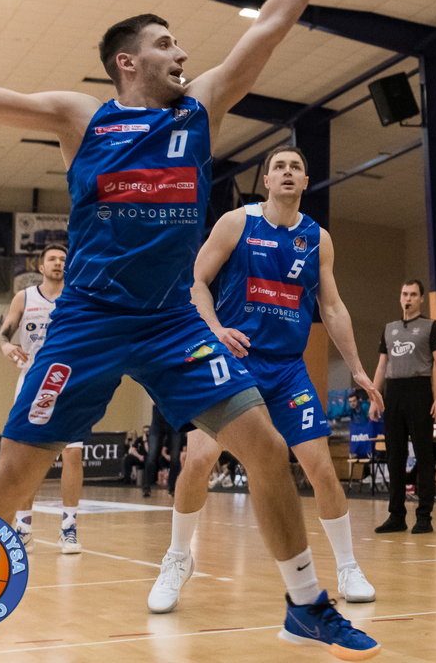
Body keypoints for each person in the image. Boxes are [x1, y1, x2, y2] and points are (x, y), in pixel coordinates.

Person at [0, 0, 380, 663]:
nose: (184, 54)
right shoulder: (81, 118)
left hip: (172, 321)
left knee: (266, 447)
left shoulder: (198, 109)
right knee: (13, 476)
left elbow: (270, 28)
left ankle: (307, 604)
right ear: (128, 61)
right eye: (168, 43)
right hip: (90, 321)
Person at [148, 144, 386, 613]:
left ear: (305, 181)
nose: (287, 172)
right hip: (234, 361)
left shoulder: (318, 238)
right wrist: (215, 330)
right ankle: (177, 559)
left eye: (296, 166)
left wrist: (357, 367)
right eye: (279, 166)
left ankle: (348, 567)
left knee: (320, 468)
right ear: (267, 180)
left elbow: (332, 306)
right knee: (199, 458)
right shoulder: (237, 222)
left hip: (288, 368)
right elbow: (196, 282)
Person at [0, 244, 83, 552]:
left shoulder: (78, 296)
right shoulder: (25, 297)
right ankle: (23, 528)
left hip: (70, 381)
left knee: (73, 453)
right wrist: (6, 346)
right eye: (52, 259)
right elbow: (2, 334)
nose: (58, 263)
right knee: (24, 455)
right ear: (42, 267)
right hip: (33, 380)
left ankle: (69, 528)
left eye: (63, 259)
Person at [373, 279, 436, 534]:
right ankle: (396, 515)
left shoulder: (431, 326)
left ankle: (424, 516)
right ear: (400, 297)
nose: (408, 298)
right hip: (393, 392)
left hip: (419, 391)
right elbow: (382, 365)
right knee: (395, 456)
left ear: (421, 299)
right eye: (405, 294)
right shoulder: (389, 328)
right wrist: (375, 396)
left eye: (413, 294)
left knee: (423, 454)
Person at [142, 406, 184, 498]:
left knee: (175, 456)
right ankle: (146, 486)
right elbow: (152, 401)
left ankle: (172, 488)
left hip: (174, 422)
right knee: (151, 455)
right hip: (158, 422)